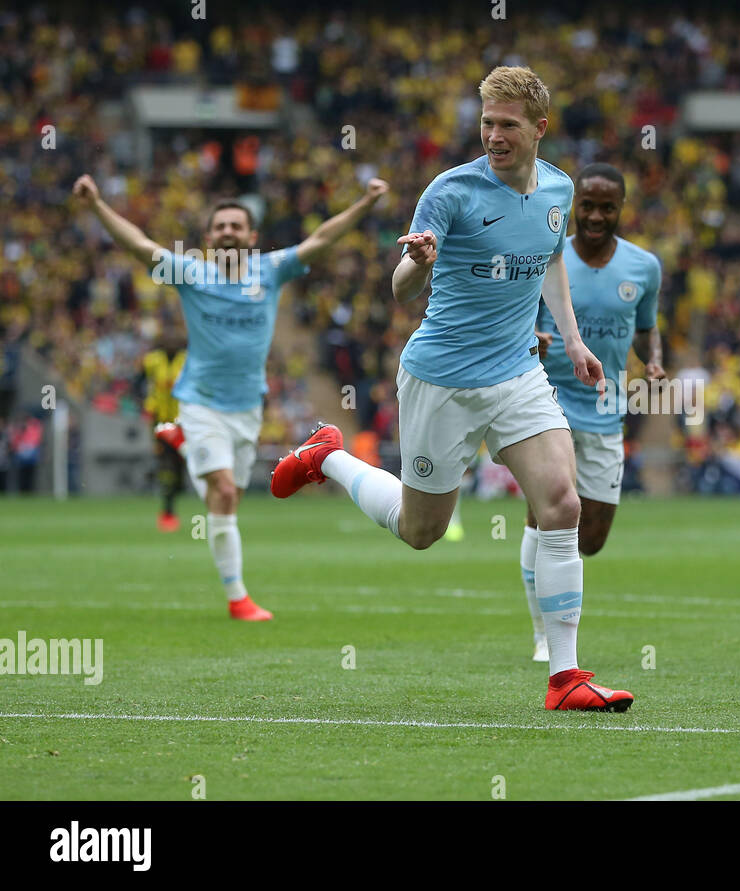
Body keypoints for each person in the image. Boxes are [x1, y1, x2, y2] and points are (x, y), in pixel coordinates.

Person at [270, 66, 633, 711]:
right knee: (420, 531)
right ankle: (328, 457)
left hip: (519, 373)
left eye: (507, 125)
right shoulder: (450, 192)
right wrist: (420, 262)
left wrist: (572, 340)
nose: (493, 135)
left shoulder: (559, 187)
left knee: (562, 506)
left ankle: (566, 678)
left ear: (539, 129)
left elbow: (550, 258)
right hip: (442, 377)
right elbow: (401, 288)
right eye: (487, 122)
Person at [72, 172, 390, 620]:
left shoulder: (272, 269)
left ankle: (183, 446)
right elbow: (139, 245)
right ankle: (238, 599)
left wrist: (366, 203)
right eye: (220, 226)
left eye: (235, 225)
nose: (227, 231)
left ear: (251, 235)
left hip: (247, 407)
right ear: (207, 237)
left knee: (228, 500)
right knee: (221, 491)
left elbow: (321, 239)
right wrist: (97, 204)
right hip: (200, 400)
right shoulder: (189, 272)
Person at [521, 162, 663, 662]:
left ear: (621, 208)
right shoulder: (546, 257)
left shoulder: (644, 266)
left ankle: (553, 583)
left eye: (608, 207)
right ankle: (545, 635)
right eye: (588, 205)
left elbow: (647, 327)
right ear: (573, 204)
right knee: (548, 515)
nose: (597, 215)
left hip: (606, 406)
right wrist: (531, 339)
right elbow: (521, 315)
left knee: (593, 537)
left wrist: (656, 361)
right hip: (548, 399)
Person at [141, 330, 187, 532]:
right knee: (167, 463)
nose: (171, 341)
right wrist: (146, 405)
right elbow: (139, 381)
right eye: (167, 339)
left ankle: (175, 488)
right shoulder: (152, 361)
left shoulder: (188, 361)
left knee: (181, 465)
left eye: (174, 339)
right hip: (161, 420)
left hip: (184, 422)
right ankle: (168, 511)